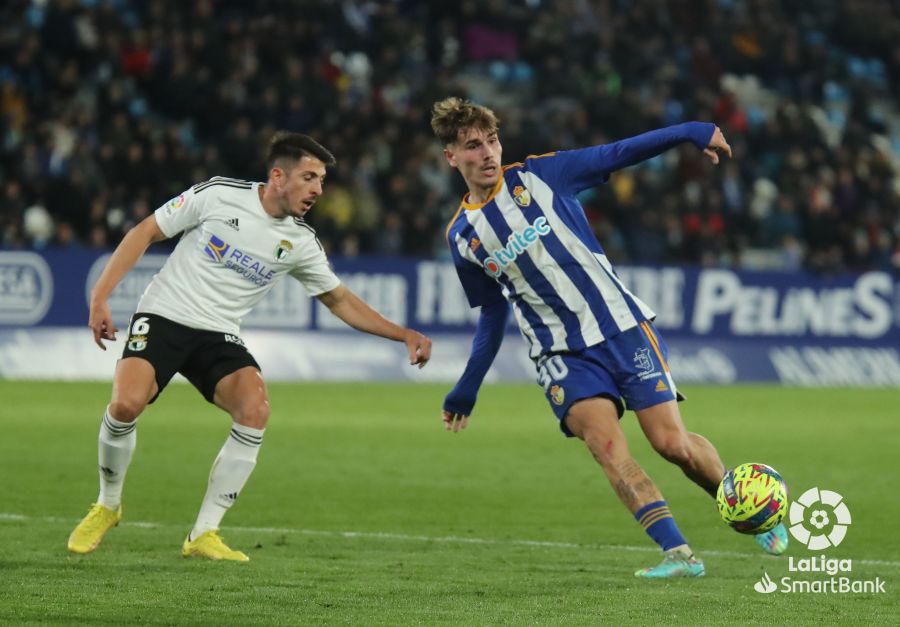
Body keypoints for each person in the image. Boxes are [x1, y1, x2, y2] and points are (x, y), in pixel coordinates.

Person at [430, 97, 788, 578]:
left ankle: (752, 510)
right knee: (606, 445)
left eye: (492, 140)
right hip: (559, 351)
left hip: (620, 327)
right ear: (452, 157)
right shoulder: (463, 236)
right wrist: (468, 386)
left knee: (671, 445)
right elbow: (492, 312)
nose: (488, 152)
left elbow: (618, 152)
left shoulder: (541, 176)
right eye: (473, 146)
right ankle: (678, 553)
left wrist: (690, 129)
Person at [68, 132, 433, 561]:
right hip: (165, 314)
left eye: (322, 180)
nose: (318, 189)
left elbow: (340, 301)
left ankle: (204, 533)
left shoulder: (300, 242)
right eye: (309, 177)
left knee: (255, 410)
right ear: (278, 176)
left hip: (218, 332)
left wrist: (403, 334)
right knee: (127, 405)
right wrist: (100, 297)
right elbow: (145, 232)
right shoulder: (219, 195)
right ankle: (107, 504)